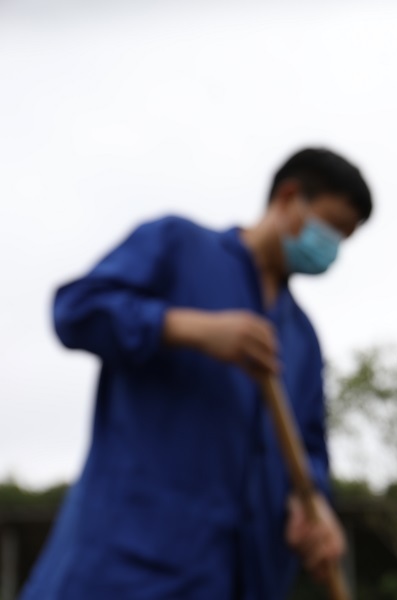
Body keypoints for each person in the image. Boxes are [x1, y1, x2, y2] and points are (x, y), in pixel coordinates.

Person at [20, 147, 372, 599]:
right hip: (124, 567)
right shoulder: (177, 245)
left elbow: (308, 449)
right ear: (288, 197)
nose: (331, 248)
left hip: (240, 577)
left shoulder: (302, 338)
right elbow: (76, 310)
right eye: (331, 227)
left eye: (344, 239)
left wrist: (314, 504)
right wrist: (186, 327)